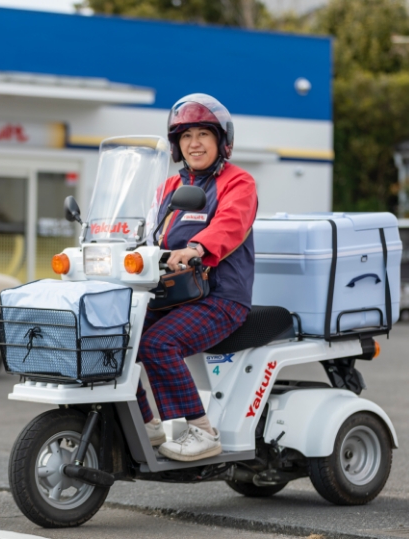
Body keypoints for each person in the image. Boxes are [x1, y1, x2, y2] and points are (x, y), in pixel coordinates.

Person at [136, 93, 258, 462]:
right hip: (174, 294)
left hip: (221, 298)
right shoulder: (169, 189)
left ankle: (202, 431)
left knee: (158, 343)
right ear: (177, 145)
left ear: (221, 141)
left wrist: (197, 248)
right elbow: (144, 230)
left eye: (203, 134)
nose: (194, 143)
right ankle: (146, 423)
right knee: (113, 335)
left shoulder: (239, 183)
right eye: (186, 136)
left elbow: (230, 225)